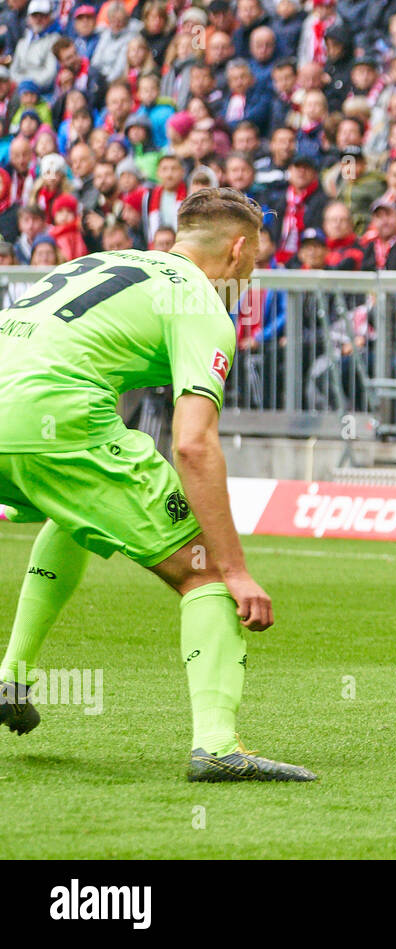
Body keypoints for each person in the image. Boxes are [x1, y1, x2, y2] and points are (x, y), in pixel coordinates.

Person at [0, 188, 315, 782]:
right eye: (256, 262)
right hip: (55, 418)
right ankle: (218, 747)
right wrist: (236, 566)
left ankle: (12, 675)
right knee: (205, 572)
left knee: (80, 512)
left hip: (14, 412)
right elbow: (193, 445)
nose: (253, 275)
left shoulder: (100, 262)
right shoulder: (201, 301)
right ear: (239, 249)